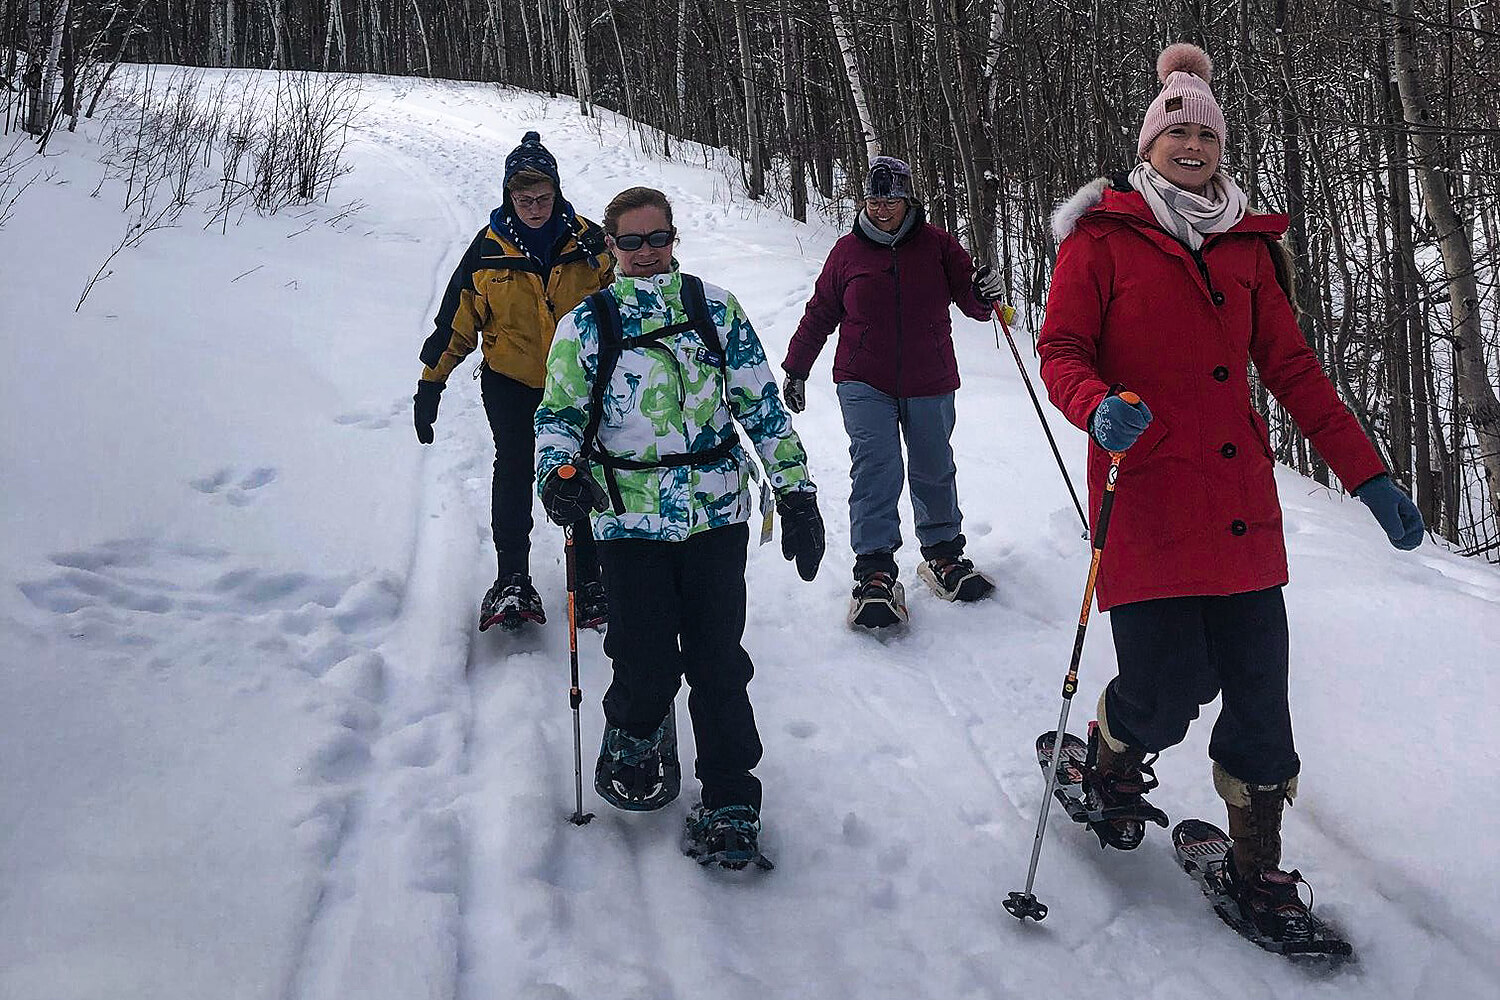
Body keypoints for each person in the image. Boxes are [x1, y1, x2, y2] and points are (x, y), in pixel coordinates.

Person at [1037, 43, 1424, 941]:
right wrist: (1097, 408)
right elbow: (1061, 352)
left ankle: (1260, 871)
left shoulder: (1248, 248)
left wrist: (1367, 474)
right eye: (1175, 130)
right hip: (1145, 498)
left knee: (1259, 697)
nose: (1191, 144)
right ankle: (1108, 757)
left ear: (1222, 146)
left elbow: (1293, 369)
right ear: (1148, 143)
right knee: (1167, 688)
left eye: (1204, 133)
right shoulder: (1101, 240)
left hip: (1242, 510)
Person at [534, 186, 825, 869]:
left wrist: (797, 493)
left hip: (715, 511)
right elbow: (558, 417)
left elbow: (760, 407)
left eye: (656, 238)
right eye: (630, 242)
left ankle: (730, 796)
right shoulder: (588, 323)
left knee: (719, 660)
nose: (645, 253)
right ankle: (635, 731)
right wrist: (557, 475)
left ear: (674, 237)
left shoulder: (713, 308)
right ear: (611, 247)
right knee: (644, 659)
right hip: (627, 517)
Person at [781, 156, 1004, 629]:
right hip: (864, 379)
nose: (882, 209)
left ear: (908, 199)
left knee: (933, 465)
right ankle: (875, 571)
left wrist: (986, 292)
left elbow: (974, 305)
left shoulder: (939, 245)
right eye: (875, 199)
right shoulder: (847, 253)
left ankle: (944, 555)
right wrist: (796, 369)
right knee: (877, 467)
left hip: (930, 378)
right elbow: (821, 312)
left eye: (892, 199)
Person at [413, 131, 613, 633]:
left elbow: (644, 287)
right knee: (516, 466)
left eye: (544, 198)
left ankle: (591, 578)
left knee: (582, 471)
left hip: (579, 386)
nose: (535, 208)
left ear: (557, 191)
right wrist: (431, 384)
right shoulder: (487, 252)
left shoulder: (589, 243)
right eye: (523, 199)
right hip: (511, 382)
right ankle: (512, 579)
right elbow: (455, 324)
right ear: (508, 196)